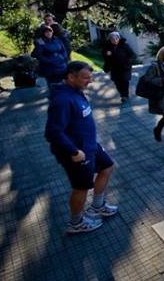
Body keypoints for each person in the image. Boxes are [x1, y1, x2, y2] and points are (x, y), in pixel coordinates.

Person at [45, 61, 118, 234]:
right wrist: (74, 151)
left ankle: (97, 206)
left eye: (91, 77)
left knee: (107, 167)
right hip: (77, 153)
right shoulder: (62, 100)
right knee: (81, 187)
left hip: (90, 146)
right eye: (86, 78)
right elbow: (53, 132)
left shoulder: (76, 91)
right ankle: (75, 222)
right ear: (71, 77)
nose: (90, 81)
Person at [103, 31, 135, 103]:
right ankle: (122, 93)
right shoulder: (107, 47)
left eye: (116, 39)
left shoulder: (125, 45)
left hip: (125, 67)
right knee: (117, 82)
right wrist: (107, 54)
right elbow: (104, 56)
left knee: (125, 81)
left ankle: (125, 96)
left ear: (119, 38)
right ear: (110, 40)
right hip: (114, 68)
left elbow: (132, 55)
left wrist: (128, 62)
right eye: (112, 39)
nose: (114, 41)